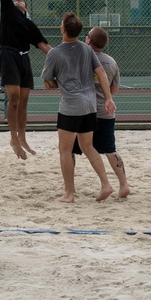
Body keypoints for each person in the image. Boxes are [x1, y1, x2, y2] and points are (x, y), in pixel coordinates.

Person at [41, 12, 117, 203]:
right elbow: (101, 74)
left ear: (63, 29)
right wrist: (108, 98)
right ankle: (106, 184)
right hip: (90, 104)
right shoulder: (87, 49)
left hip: (71, 106)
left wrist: (61, 83)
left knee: (65, 150)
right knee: (88, 146)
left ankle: (69, 193)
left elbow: (48, 83)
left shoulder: (55, 53)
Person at [0, 0, 52, 159]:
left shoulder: (29, 24)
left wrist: (64, 56)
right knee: (13, 98)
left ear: (26, 8)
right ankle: (13, 138)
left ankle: (23, 137)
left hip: (24, 58)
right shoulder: (8, 10)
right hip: (8, 54)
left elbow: (44, 47)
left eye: (22, 0)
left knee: (24, 101)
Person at [71, 26, 130, 198]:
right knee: (110, 150)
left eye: (87, 35)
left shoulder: (80, 58)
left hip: (84, 112)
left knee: (69, 150)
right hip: (105, 112)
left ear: (88, 40)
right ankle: (124, 184)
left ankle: (70, 187)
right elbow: (114, 89)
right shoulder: (111, 62)